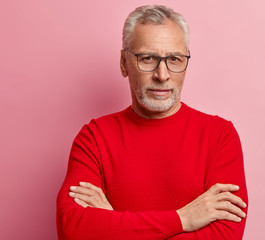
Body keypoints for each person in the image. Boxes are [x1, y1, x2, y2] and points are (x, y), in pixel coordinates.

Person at [57, 5, 248, 240]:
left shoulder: (220, 136)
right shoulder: (94, 138)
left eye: (175, 59)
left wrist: (114, 223)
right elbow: (74, 231)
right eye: (147, 58)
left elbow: (224, 236)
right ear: (124, 63)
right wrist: (183, 218)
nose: (162, 74)